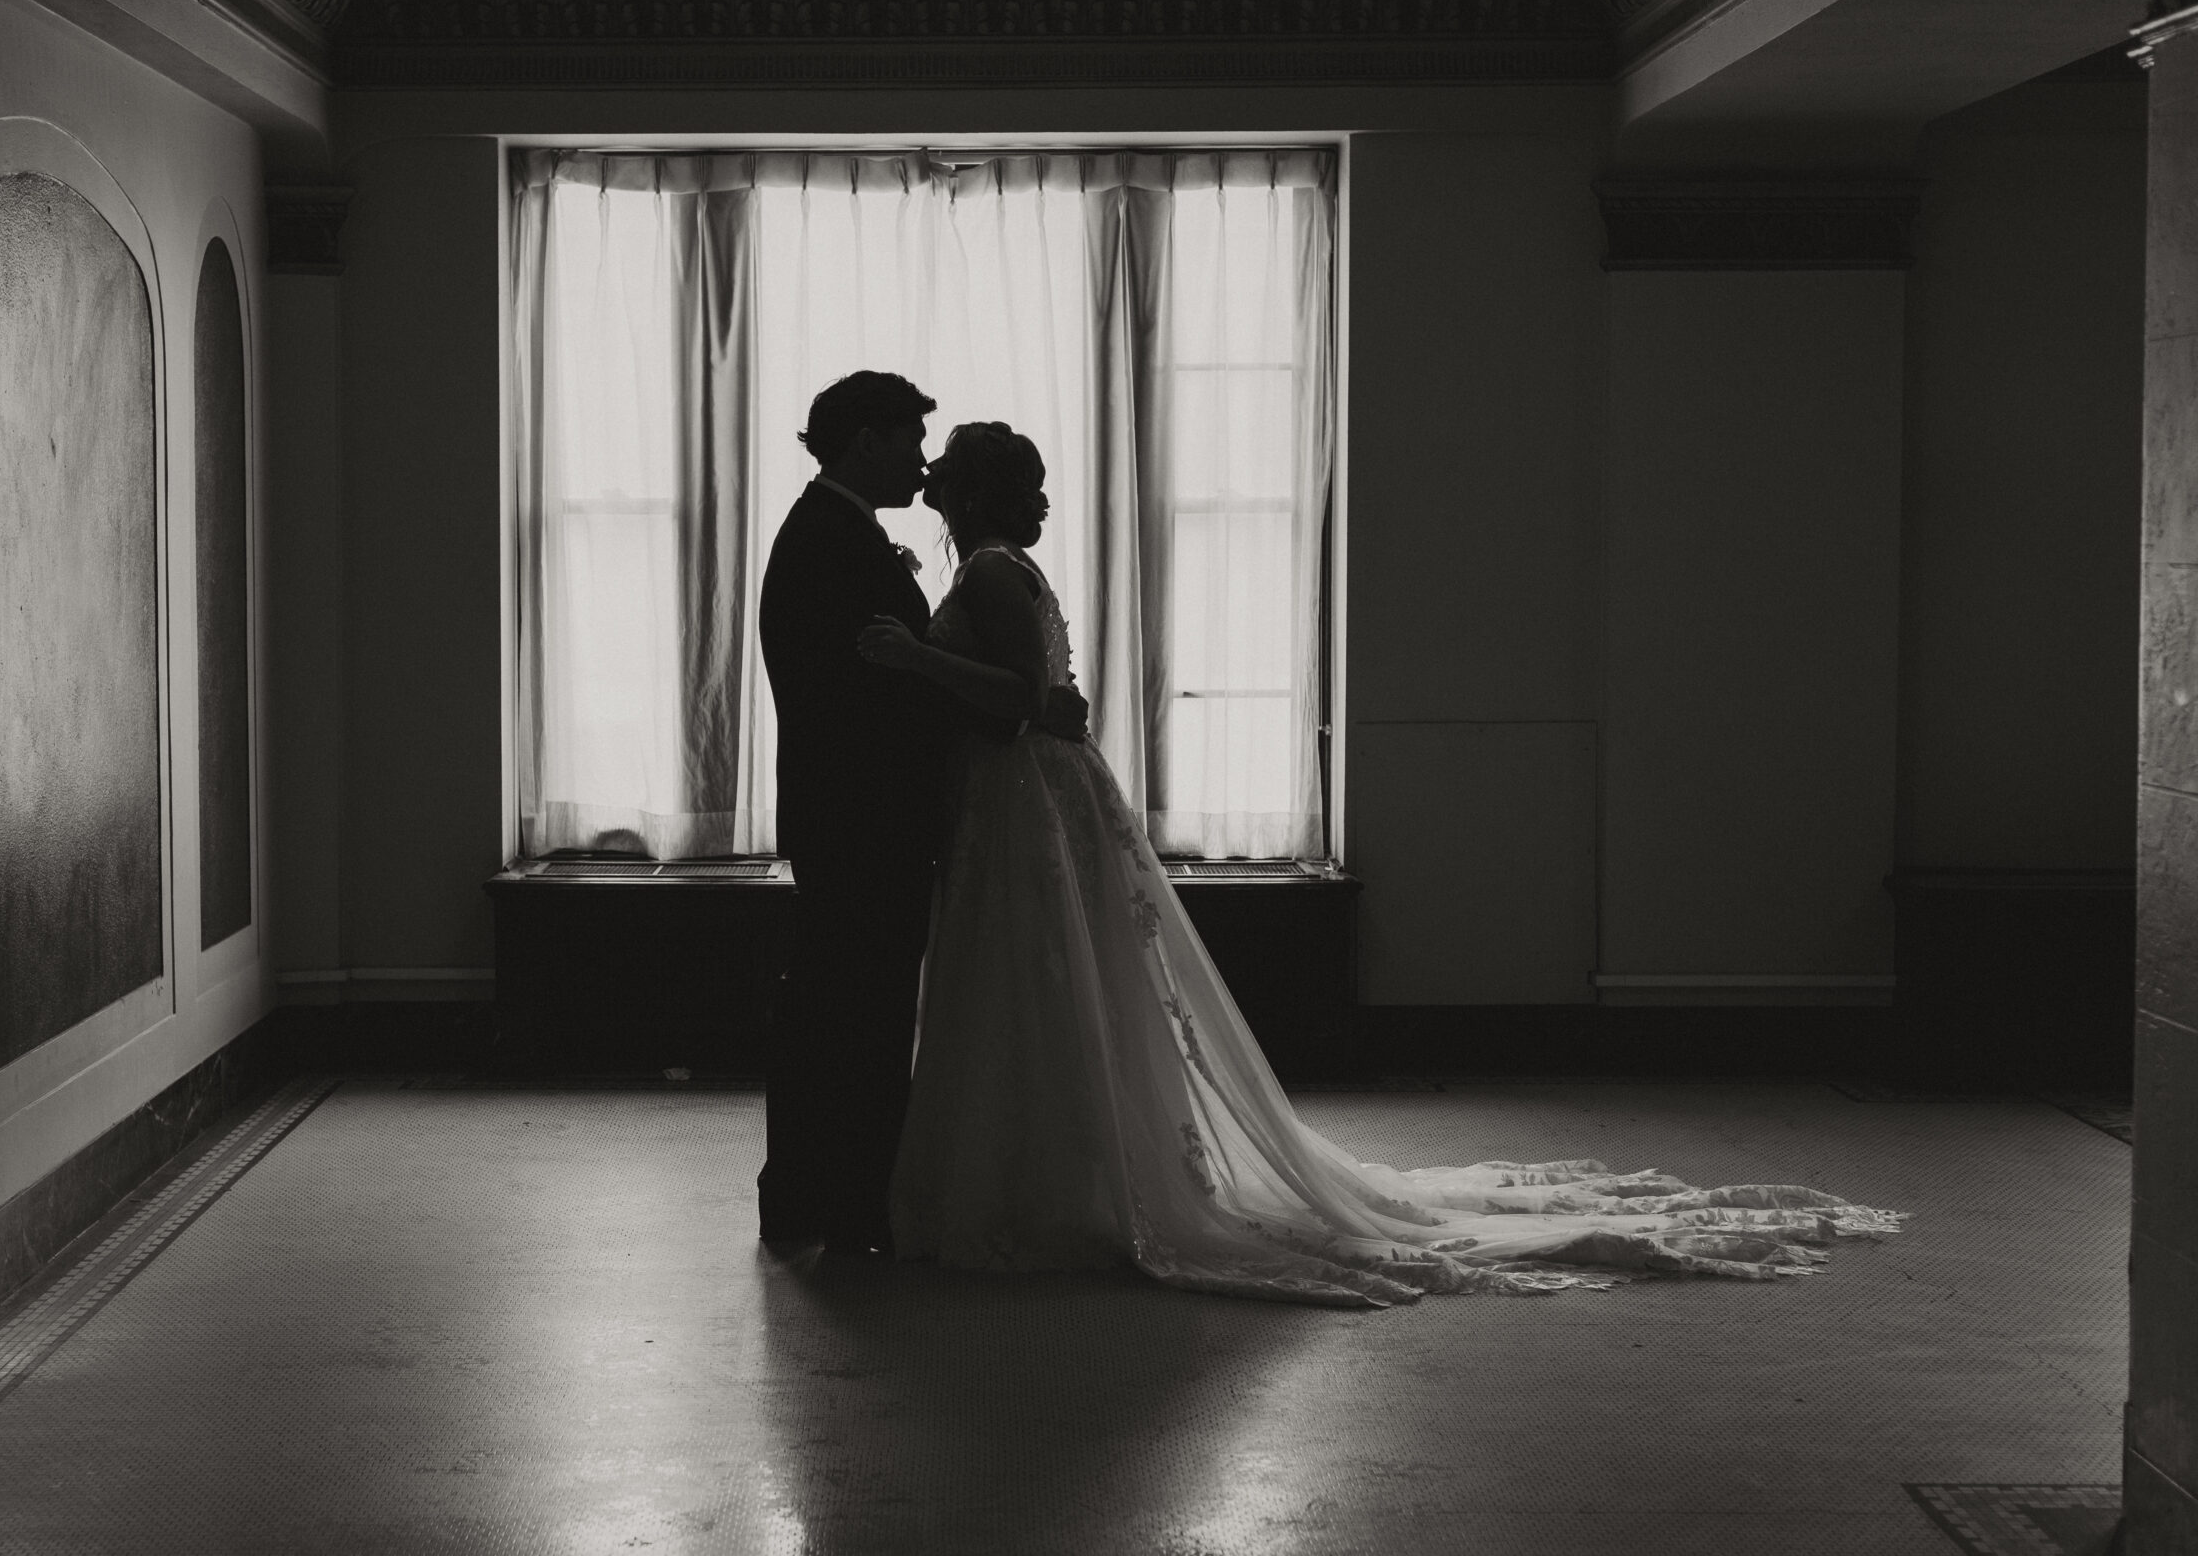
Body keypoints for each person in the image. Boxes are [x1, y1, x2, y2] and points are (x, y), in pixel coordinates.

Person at [858, 421, 1905, 1305]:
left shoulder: (991, 572)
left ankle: (1048, 1184)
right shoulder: (1006, 570)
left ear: (962, 493)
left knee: (1032, 982)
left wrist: (909, 659)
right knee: (1046, 986)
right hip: (1036, 796)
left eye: (938, 468)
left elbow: (1021, 701)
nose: (926, 480)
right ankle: (1066, 1172)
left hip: (1023, 795)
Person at [755, 375, 1083, 1254]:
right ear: (866, 441)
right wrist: (1014, 706)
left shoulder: (843, 533)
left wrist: (1010, 700)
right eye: (909, 441)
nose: (921, 462)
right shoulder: (831, 539)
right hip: (862, 821)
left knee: (849, 1011)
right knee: (850, 1014)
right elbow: (861, 698)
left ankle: (829, 1194)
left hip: (867, 819)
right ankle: (838, 1202)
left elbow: (901, 682)